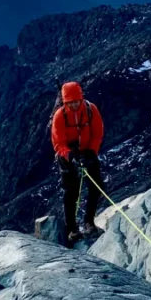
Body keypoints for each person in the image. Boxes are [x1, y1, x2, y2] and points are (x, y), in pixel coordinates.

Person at [50, 81, 105, 247]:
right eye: (70, 102)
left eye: (76, 101)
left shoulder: (90, 110)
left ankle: (89, 222)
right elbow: (58, 142)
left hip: (87, 151)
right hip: (67, 156)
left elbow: (97, 132)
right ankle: (72, 229)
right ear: (65, 102)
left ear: (81, 99)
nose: (74, 105)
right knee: (70, 193)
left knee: (96, 187)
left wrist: (91, 152)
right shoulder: (60, 116)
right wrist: (69, 156)